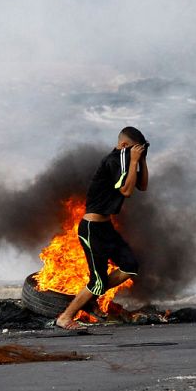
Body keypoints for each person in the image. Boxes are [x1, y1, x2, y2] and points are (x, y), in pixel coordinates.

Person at [55, 127, 148, 330]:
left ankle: (89, 298)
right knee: (97, 281)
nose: (136, 153)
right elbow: (127, 190)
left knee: (130, 266)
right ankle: (65, 317)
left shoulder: (127, 161)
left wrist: (141, 160)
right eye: (134, 149)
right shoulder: (114, 161)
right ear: (124, 146)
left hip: (106, 228)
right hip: (92, 229)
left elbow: (142, 186)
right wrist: (133, 161)